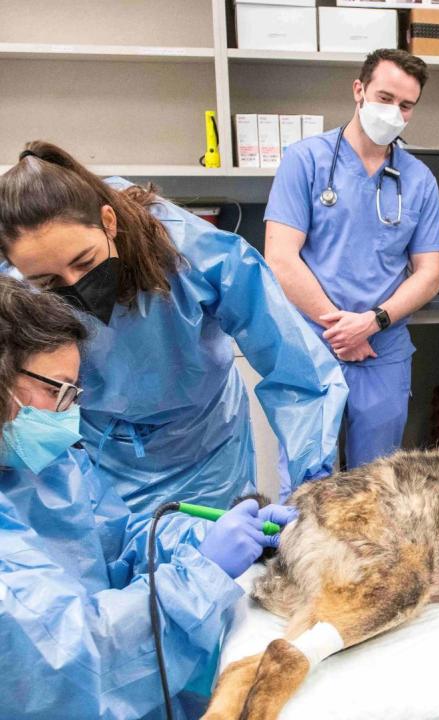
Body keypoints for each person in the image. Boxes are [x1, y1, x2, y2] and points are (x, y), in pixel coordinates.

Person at [0, 277, 295, 719]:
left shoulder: (47, 466)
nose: (70, 412)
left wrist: (205, 535)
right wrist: (202, 574)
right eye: (58, 391)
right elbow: (75, 663)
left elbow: (115, 539)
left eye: (75, 393)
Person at [0, 143, 346, 513]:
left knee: (216, 556)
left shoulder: (196, 253)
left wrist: (313, 483)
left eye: (85, 262)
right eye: (49, 281)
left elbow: (299, 373)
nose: (75, 285)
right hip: (98, 452)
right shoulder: (16, 286)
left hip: (205, 451)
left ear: (108, 222)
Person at [265, 48, 439, 491]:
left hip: (382, 347)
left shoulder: (419, 180)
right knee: (308, 486)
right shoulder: (305, 161)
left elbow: (429, 273)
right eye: (385, 98)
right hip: (313, 343)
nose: (395, 112)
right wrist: (340, 330)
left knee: (376, 489)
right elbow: (281, 258)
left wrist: (372, 322)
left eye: (406, 106)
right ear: (359, 90)